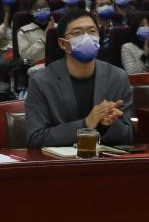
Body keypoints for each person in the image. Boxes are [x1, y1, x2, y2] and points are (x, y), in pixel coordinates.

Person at [25, 11, 134, 147]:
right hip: (58, 159)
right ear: (62, 43)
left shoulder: (118, 77)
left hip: (104, 158)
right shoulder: (41, 81)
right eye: (77, 33)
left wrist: (108, 124)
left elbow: (128, 137)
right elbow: (35, 138)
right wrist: (86, 124)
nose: (86, 38)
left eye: (92, 31)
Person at [17, 0, 52, 79]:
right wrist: (44, 38)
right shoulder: (23, 31)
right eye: (39, 7)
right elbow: (26, 56)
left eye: (45, 7)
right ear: (31, 12)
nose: (43, 9)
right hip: (37, 67)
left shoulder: (58, 27)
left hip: (58, 65)